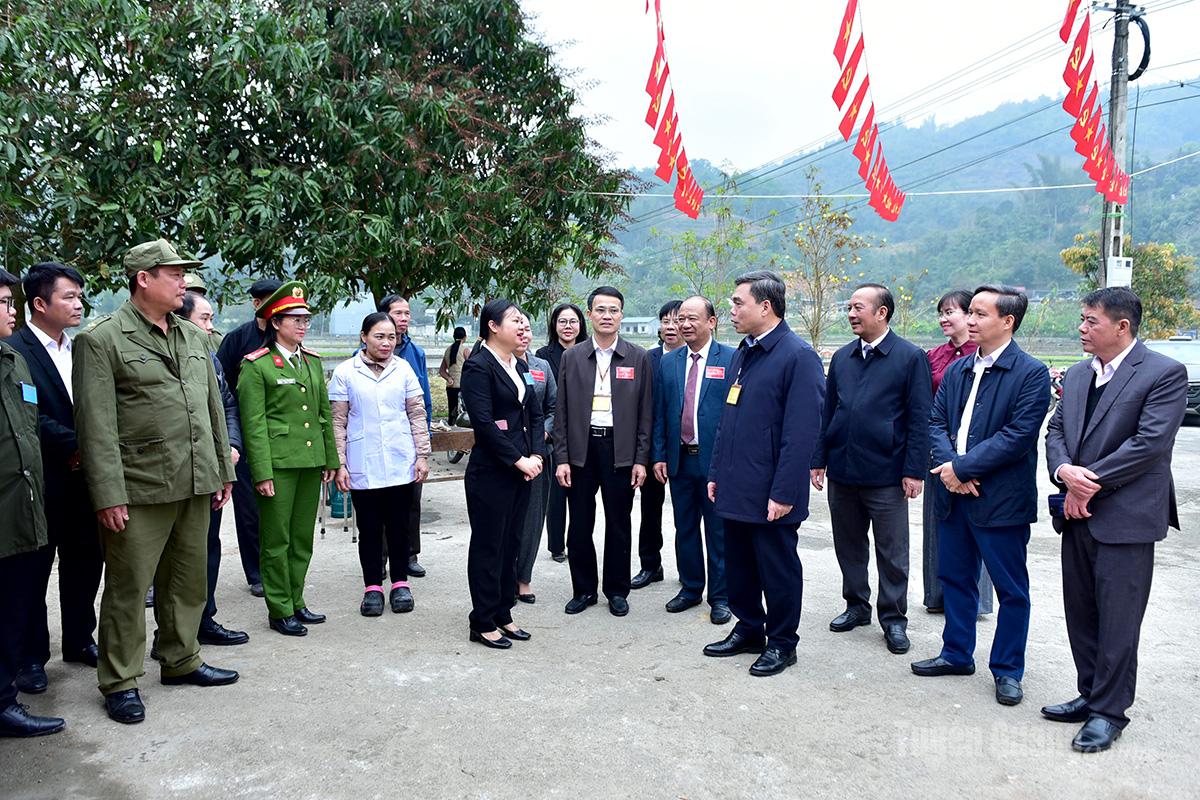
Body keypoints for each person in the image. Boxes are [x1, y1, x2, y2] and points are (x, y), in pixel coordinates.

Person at [73, 239, 238, 725]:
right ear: (143, 278)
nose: (182, 281)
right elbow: (96, 425)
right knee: (128, 587)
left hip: (193, 479)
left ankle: (181, 658)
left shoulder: (193, 336)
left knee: (187, 580)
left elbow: (211, 408)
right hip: (139, 485)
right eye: (173, 273)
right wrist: (107, 494)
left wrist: (221, 470)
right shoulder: (102, 339)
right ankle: (120, 680)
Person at [1044, 287, 1187, 753]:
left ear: (1121, 326)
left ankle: (1109, 712)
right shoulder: (1082, 374)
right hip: (1077, 512)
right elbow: (1057, 428)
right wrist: (1064, 471)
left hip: (1124, 518)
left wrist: (1088, 482)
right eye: (1082, 320)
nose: (1082, 329)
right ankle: (1089, 694)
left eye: (1090, 321)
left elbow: (1149, 443)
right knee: (1081, 612)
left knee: (1119, 620)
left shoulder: (1164, 373)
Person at [911, 285, 1048, 708]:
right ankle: (956, 653)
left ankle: (1007, 670)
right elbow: (935, 422)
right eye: (969, 313)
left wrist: (961, 469)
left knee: (1011, 590)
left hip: (1000, 500)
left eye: (979, 314)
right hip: (954, 494)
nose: (969, 321)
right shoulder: (958, 370)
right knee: (955, 578)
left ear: (1007, 321)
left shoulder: (1031, 373)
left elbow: (1017, 436)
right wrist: (951, 468)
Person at [702, 271, 825, 677]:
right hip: (736, 485)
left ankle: (783, 643)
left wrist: (785, 492)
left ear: (765, 307)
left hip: (772, 491)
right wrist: (717, 471)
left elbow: (801, 434)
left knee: (777, 568)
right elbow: (727, 421)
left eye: (739, 303)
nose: (732, 310)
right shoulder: (745, 351)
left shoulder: (797, 356)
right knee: (739, 566)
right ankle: (750, 628)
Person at [810, 284, 931, 656]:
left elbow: (919, 418)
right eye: (849, 307)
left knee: (892, 551)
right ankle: (856, 605)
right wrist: (819, 459)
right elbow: (828, 411)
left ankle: (893, 619)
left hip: (887, 475)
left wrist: (914, 470)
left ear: (882, 313)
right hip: (843, 471)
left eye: (857, 307)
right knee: (849, 545)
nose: (850, 313)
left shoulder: (909, 357)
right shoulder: (843, 358)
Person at [5, 263, 103, 690]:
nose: (78, 304)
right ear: (39, 303)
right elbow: (28, 417)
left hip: (83, 480)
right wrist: (77, 445)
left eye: (80, 296)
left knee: (86, 561)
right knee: (34, 571)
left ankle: (80, 638)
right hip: (39, 480)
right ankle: (31, 658)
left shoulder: (79, 348)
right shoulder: (18, 349)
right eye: (69, 297)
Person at [238, 281, 339, 637]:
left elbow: (323, 413)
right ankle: (279, 608)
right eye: (294, 318)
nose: (302, 324)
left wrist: (331, 459)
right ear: (275, 322)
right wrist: (261, 472)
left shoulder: (311, 362)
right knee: (276, 540)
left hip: (310, 462)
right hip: (278, 465)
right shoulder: (257, 365)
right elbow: (253, 424)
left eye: (306, 318)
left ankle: (296, 600)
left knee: (301, 538)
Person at [554, 286, 653, 618]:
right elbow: (562, 413)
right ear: (590, 315)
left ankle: (616, 590)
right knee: (579, 523)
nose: (607, 316)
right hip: (582, 450)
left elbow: (645, 413)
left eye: (613, 310)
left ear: (621, 315)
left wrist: (641, 459)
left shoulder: (639, 357)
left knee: (619, 522)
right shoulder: (572, 357)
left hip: (620, 450)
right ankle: (583, 589)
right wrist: (563, 457)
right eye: (600, 310)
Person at [0, 266, 66, 737]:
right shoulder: (20, 351)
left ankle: (4, 696)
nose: (11, 310)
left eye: (10, 301)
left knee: (15, 598)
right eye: (2, 303)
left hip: (22, 501)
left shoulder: (10, 361)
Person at [329, 312, 431, 617]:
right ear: (363, 337)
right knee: (370, 529)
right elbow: (338, 420)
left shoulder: (404, 370)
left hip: (401, 460)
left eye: (391, 337)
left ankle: (400, 583)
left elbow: (416, 414)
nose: (386, 342)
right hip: (364, 463)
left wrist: (422, 455)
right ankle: (372, 587)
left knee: (400, 527)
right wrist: (340, 463)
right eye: (379, 336)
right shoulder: (346, 372)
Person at [460, 300, 545, 648]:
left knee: (512, 542)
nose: (522, 327)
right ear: (493, 326)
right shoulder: (479, 366)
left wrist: (537, 453)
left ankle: (503, 611)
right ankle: (481, 620)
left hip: (522, 468)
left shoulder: (519, 364)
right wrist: (517, 460)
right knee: (489, 545)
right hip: (492, 472)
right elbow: (483, 423)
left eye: (524, 321)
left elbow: (535, 414)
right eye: (515, 321)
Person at [650, 295, 733, 624]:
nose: (683, 324)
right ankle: (690, 587)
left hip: (715, 462)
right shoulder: (669, 362)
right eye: (680, 318)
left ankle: (721, 596)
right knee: (684, 526)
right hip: (680, 459)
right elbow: (660, 413)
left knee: (718, 529)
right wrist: (658, 455)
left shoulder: (730, 358)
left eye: (691, 318)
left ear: (711, 322)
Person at [176, 292, 249, 647]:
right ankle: (174, 633)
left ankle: (205, 618)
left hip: (212, 470)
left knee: (208, 546)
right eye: (203, 319)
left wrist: (232, 445)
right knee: (177, 555)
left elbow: (228, 406)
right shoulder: (170, 358)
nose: (210, 327)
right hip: (177, 473)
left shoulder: (211, 359)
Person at [923, 289, 994, 616]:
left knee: (978, 529)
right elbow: (927, 409)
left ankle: (975, 600)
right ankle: (938, 594)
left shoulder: (984, 356)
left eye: (950, 311)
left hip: (976, 454)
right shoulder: (933, 357)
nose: (943, 318)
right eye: (941, 312)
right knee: (938, 524)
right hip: (939, 452)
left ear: (970, 315)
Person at [216, 277, 283, 598]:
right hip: (245, 432)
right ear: (257, 304)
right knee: (249, 508)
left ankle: (278, 567)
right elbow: (222, 390)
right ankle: (255, 572)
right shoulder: (236, 340)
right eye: (270, 301)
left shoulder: (285, 338)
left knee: (280, 504)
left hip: (280, 434)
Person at [379, 295, 433, 578]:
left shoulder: (417, 353)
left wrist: (426, 435)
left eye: (407, 313)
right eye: (397, 313)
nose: (403, 318)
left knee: (411, 499)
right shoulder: (364, 354)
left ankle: (410, 553)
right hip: (379, 437)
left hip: (410, 437)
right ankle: (381, 557)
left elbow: (424, 399)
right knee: (380, 501)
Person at [632, 299, 682, 590]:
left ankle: (690, 571)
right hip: (652, 448)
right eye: (665, 321)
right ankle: (650, 565)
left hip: (686, 448)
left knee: (686, 514)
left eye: (677, 320)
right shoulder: (646, 359)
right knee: (650, 510)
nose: (671, 326)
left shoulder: (693, 358)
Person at [536, 303, 587, 563]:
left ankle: (578, 541)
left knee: (581, 493)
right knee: (556, 494)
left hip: (586, 431)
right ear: (554, 325)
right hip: (554, 433)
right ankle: (557, 545)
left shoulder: (590, 352)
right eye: (562, 321)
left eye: (573, 321)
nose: (568, 327)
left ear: (581, 324)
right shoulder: (542, 356)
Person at [514, 314, 557, 604]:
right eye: (519, 328)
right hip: (507, 455)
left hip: (538, 454)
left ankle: (523, 578)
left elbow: (553, 406)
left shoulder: (541, 366)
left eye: (528, 329)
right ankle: (504, 576)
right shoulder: (491, 364)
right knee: (506, 520)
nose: (524, 334)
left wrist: (543, 435)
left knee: (532, 519)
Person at [439, 326, 471, 426]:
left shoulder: (447, 350)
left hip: (451, 386)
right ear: (465, 337)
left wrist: (449, 378)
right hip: (463, 386)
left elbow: (442, 371)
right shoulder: (465, 350)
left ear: (453, 336)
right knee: (466, 413)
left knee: (452, 413)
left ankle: (452, 431)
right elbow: (473, 368)